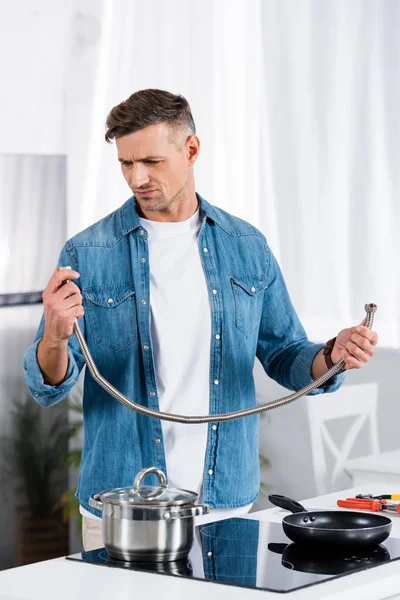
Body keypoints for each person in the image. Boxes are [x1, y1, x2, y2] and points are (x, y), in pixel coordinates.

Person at [23, 89, 378, 551]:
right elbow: (48, 386)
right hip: (123, 508)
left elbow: (286, 354)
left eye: (150, 161)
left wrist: (334, 354)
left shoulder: (246, 246)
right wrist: (53, 334)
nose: (137, 178)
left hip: (225, 505)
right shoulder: (86, 253)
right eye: (126, 164)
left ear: (191, 150)